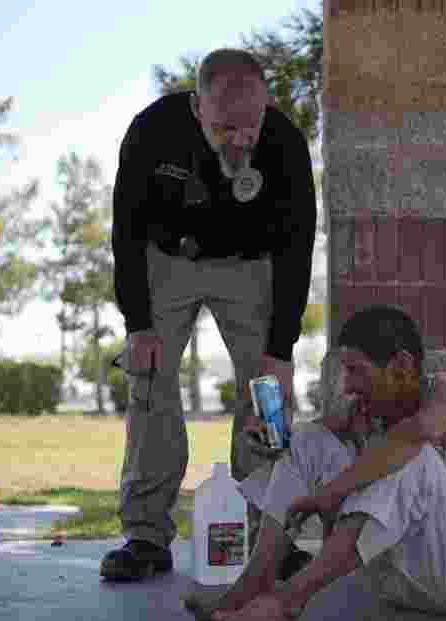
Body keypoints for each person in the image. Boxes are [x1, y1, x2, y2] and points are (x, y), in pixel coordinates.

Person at [100, 48, 317, 582]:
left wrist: (281, 350)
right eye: (226, 127)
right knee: (149, 381)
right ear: (198, 108)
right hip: (167, 260)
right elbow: (125, 229)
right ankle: (146, 536)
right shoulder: (153, 130)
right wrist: (139, 327)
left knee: (267, 392)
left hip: (250, 266)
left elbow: (297, 246)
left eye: (252, 124)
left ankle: (269, 533)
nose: (242, 138)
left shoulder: (284, 143)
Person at [182, 305, 446, 621]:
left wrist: (330, 494)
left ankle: (288, 602)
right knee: (309, 440)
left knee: (409, 456)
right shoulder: (364, 409)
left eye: (356, 370)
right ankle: (255, 582)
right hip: (393, 582)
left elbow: (406, 441)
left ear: (401, 365)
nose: (348, 385)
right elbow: (304, 446)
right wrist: (270, 440)